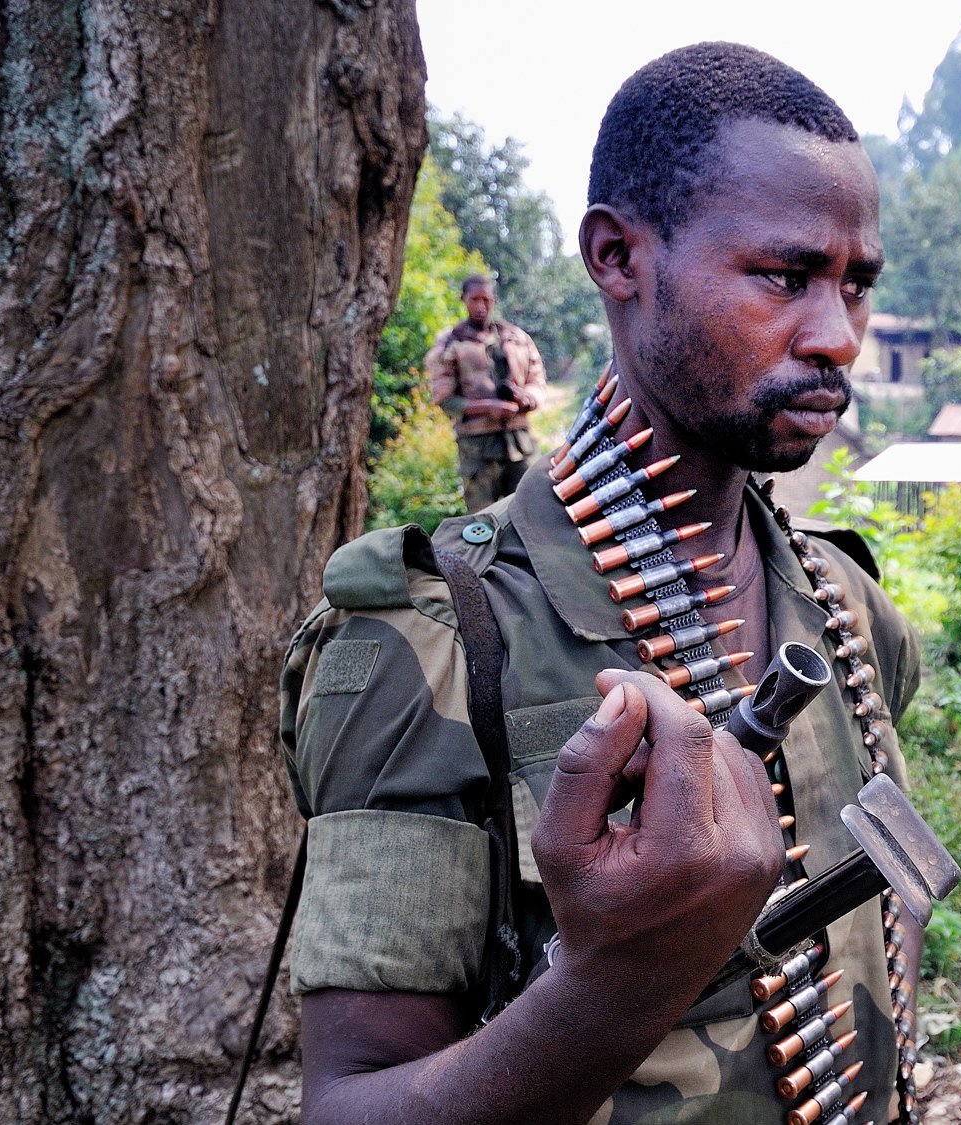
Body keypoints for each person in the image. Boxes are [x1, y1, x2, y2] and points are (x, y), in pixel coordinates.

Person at [277, 43, 924, 1125]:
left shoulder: (851, 611)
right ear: (618, 257)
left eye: (856, 283)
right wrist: (617, 986)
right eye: (784, 275)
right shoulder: (431, 641)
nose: (837, 338)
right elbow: (349, 1105)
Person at [426, 275, 549, 509]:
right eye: (475, 299)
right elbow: (444, 400)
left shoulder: (517, 338)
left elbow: (538, 382)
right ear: (464, 299)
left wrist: (524, 399)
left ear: (493, 300)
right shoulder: (450, 343)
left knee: (532, 511)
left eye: (486, 299)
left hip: (520, 444)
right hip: (477, 450)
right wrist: (488, 408)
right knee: (482, 520)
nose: (481, 306)